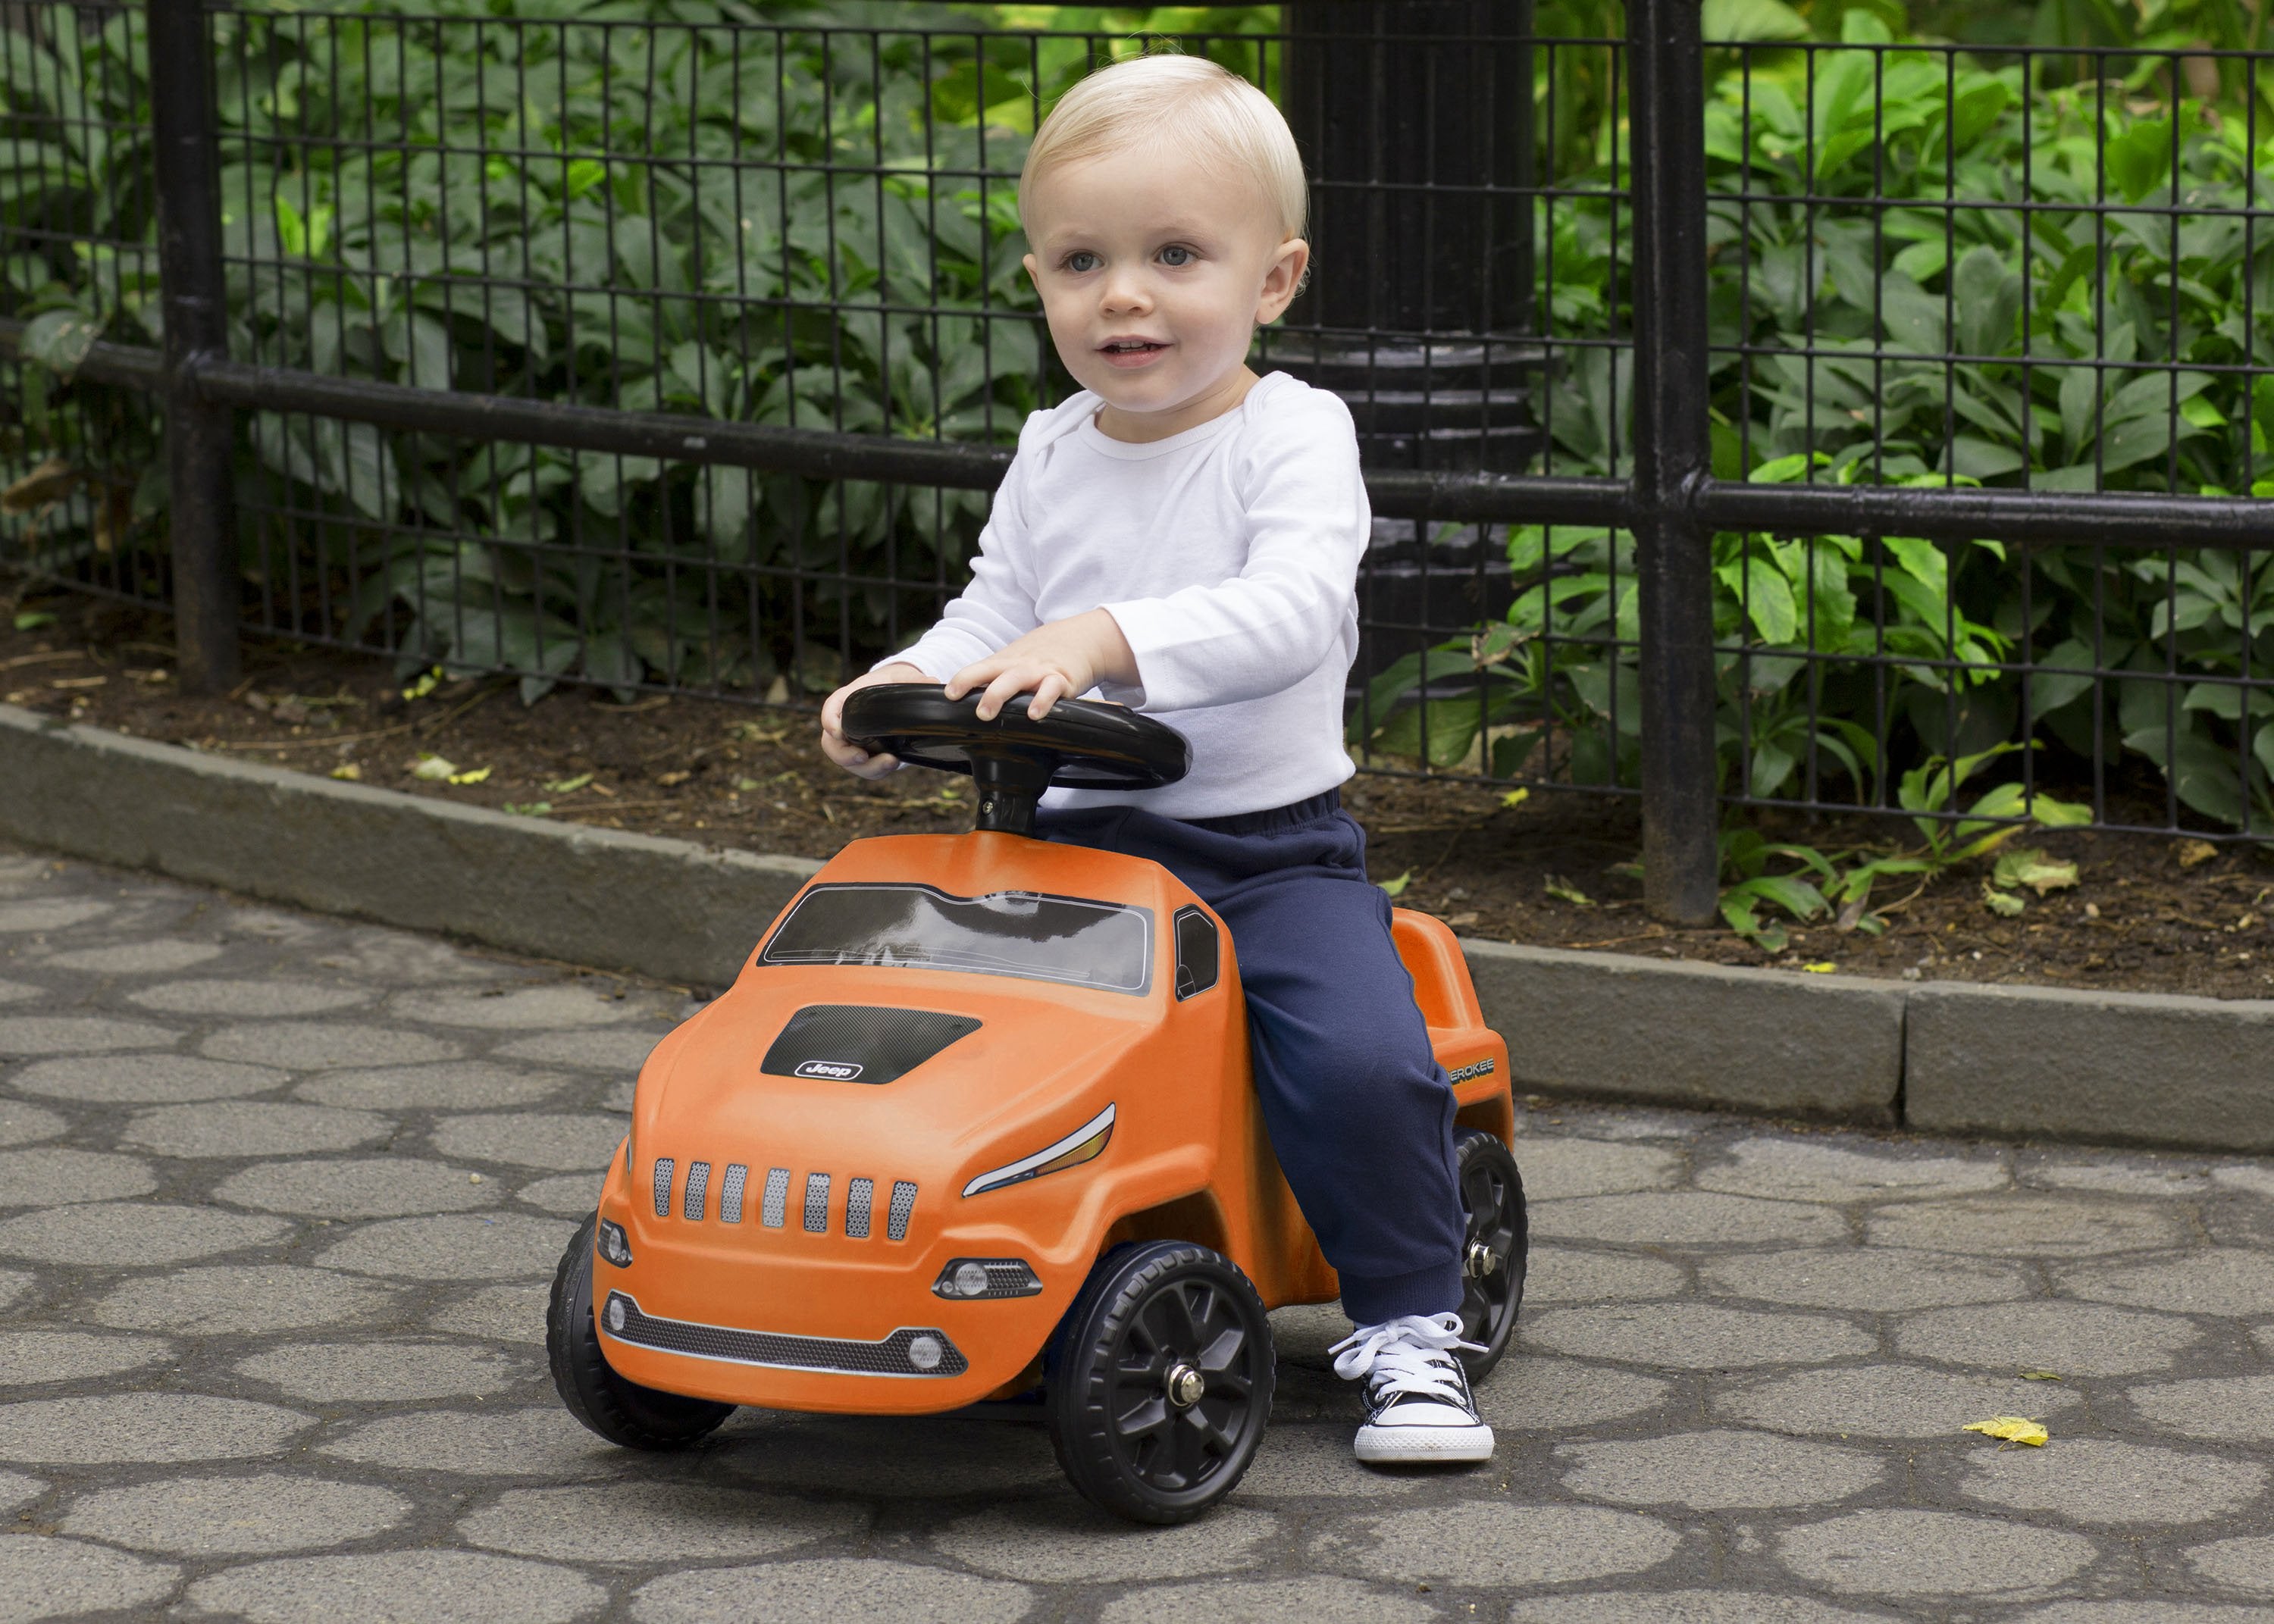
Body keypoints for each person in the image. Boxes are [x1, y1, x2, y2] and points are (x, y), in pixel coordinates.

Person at [819, 52, 1489, 1465]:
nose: (1124, 293)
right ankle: (967, 1268)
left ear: (1275, 279)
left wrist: (1104, 638)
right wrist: (899, 684)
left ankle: (1414, 1330)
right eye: (1082, 260)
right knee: (931, 1049)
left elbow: (1292, 611)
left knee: (1360, 1059)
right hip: (1065, 863)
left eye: (1175, 254)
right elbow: (994, 612)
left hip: (1260, 856)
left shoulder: (1292, 437)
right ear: (1041, 279)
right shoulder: (1054, 449)